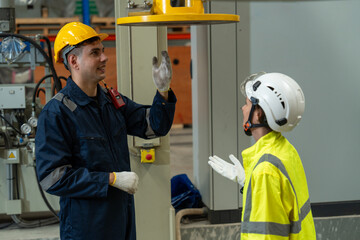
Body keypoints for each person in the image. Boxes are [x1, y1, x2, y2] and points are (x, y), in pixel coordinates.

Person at [35, 22, 176, 240]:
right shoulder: (57, 113)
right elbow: (52, 177)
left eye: (103, 51)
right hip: (87, 227)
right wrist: (109, 179)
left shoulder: (110, 101)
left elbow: (152, 126)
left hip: (122, 219)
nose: (104, 58)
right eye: (95, 53)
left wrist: (163, 92)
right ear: (74, 61)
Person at [208, 72, 316, 239]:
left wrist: (258, 180)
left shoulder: (265, 170)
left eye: (247, 103)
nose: (243, 109)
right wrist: (248, 182)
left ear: (258, 113)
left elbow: (265, 235)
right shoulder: (285, 150)